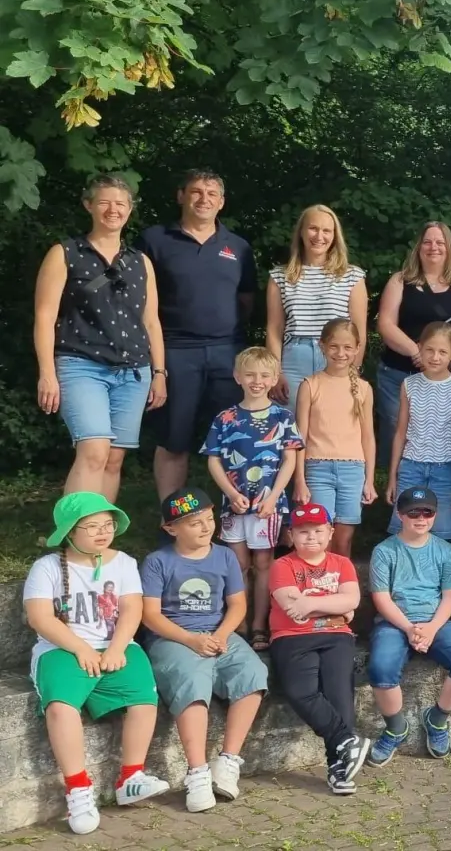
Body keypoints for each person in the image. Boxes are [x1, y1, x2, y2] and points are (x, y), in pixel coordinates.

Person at [24, 493, 170, 835]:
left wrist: (119, 647)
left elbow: (132, 609)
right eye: (91, 527)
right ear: (70, 532)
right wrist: (80, 648)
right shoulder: (46, 567)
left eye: (108, 524)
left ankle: (131, 776)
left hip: (116, 644)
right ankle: (78, 788)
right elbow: (40, 618)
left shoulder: (124, 562)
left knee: (144, 700)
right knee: (61, 708)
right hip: (61, 648)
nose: (103, 532)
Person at [34, 174, 165, 501]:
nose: (113, 210)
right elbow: (45, 316)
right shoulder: (65, 253)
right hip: (81, 364)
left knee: (113, 458)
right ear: (88, 205)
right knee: (93, 449)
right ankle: (76, 534)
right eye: (104, 202)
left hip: (134, 370)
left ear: (130, 210)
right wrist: (47, 373)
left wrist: (160, 373)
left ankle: (100, 532)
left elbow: (151, 321)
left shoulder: (140, 261)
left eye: (120, 203)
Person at [139, 488, 268, 812]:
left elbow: (237, 604)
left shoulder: (224, 556)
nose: (205, 528)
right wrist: (190, 640)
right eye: (194, 523)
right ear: (171, 528)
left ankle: (227, 761)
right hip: (172, 637)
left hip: (218, 633)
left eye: (208, 520)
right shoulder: (158, 562)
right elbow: (150, 615)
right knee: (191, 681)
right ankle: (196, 772)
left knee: (253, 673)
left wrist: (223, 634)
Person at [138, 170, 256, 500]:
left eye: (212, 193)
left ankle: (238, 520)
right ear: (181, 196)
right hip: (175, 350)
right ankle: (171, 519)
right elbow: (142, 300)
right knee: (175, 439)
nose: (204, 199)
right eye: (196, 192)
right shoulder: (154, 240)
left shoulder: (239, 247)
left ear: (222, 202)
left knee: (234, 437)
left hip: (228, 351)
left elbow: (246, 299)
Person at [367, 487, 451, 764]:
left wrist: (430, 628)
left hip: (436, 621)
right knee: (380, 670)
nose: (420, 518)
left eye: (427, 512)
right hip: (395, 622)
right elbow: (381, 598)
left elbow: (450, 595)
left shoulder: (443, 550)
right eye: (413, 512)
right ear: (400, 514)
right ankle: (396, 728)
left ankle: (438, 719)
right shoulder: (384, 551)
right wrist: (409, 628)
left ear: (435, 515)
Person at [202, 347, 303, 650]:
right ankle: (238, 621)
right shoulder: (225, 418)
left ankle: (260, 623)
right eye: (250, 375)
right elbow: (213, 460)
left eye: (263, 375)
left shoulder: (282, 417)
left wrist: (273, 499)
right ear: (238, 377)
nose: (256, 381)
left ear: (274, 379)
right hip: (235, 504)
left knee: (264, 562)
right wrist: (231, 494)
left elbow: (289, 460)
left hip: (267, 506)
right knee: (237, 563)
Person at [267, 502, 370, 795]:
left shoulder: (341, 563)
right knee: (301, 691)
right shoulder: (282, 566)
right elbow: (291, 608)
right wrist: (334, 605)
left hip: (337, 636)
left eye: (317, 530)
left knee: (340, 694)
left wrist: (311, 601)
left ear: (330, 532)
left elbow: (351, 601)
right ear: (291, 535)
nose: (310, 537)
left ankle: (338, 766)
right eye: (302, 532)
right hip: (291, 636)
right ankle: (347, 741)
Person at [375, 222, 451, 464]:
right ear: (418, 247)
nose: (433, 247)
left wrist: (441, 354)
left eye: (439, 242)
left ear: (449, 247)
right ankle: (397, 489)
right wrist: (418, 352)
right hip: (400, 372)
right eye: (427, 241)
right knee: (397, 429)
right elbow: (385, 324)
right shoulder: (399, 281)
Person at [265, 204, 367, 410]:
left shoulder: (352, 276)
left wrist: (354, 369)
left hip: (337, 357)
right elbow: (274, 328)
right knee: (292, 429)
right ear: (301, 232)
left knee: (333, 425)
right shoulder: (280, 276)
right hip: (294, 358)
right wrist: (275, 371)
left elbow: (359, 330)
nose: (319, 236)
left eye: (326, 230)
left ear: (334, 236)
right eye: (313, 228)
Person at [293, 318, 377, 558]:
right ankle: (316, 587)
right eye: (334, 346)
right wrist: (300, 480)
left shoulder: (363, 388)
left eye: (347, 347)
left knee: (344, 538)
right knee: (319, 535)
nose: (341, 353)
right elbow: (300, 437)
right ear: (322, 346)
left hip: (353, 469)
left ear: (357, 348)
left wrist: (369, 479)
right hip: (318, 468)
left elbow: (368, 437)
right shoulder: (311, 385)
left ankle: (341, 588)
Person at [385, 322, 451, 547]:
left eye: (443, 352)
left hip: (447, 469)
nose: (435, 357)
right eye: (429, 350)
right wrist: (393, 476)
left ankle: (443, 581)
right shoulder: (409, 384)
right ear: (419, 348)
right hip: (411, 466)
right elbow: (401, 432)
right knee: (405, 530)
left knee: (444, 535)